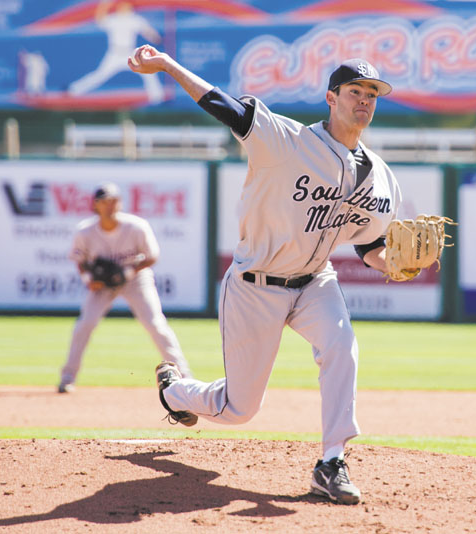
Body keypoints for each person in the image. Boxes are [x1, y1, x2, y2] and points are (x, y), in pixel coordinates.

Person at [128, 45, 403, 505]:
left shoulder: (379, 174)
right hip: (256, 285)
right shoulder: (286, 141)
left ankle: (331, 461)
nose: (364, 101)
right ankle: (177, 391)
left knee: (341, 347)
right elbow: (223, 105)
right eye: (355, 91)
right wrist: (168, 67)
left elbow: (370, 246)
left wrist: (392, 265)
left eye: (372, 94)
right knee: (239, 409)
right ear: (331, 98)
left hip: (317, 280)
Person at [57, 183, 193, 398]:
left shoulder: (136, 226)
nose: (110, 206)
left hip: (136, 280)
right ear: (96, 205)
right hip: (103, 285)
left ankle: (185, 376)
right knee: (85, 324)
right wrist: (88, 279)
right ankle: (67, 379)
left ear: (119, 203)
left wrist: (127, 273)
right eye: (105, 202)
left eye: (113, 201)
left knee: (155, 324)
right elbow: (79, 259)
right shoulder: (85, 230)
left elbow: (152, 255)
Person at [68, 0, 163, 103]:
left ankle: (158, 97)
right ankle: (74, 90)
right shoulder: (113, 19)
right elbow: (100, 20)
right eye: (121, 7)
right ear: (118, 8)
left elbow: (147, 31)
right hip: (115, 53)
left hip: (130, 53)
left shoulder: (135, 19)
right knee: (100, 75)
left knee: (147, 72)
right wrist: (104, 5)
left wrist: (155, 38)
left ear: (130, 8)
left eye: (126, 7)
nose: (123, 9)